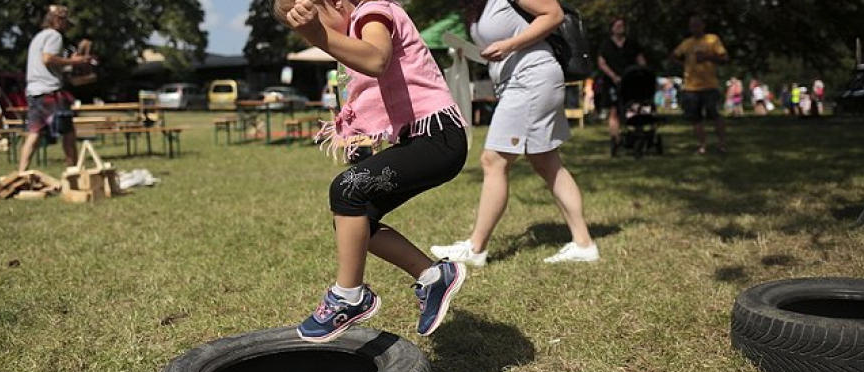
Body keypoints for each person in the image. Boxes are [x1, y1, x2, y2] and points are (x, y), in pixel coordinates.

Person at [274, 0, 469, 342]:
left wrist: (319, 35)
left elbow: (377, 59)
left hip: (438, 137)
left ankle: (349, 296)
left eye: (312, 22)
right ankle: (432, 276)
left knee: (346, 190)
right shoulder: (355, 25)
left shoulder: (373, 11)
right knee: (355, 219)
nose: (314, 36)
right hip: (421, 139)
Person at [431, 0, 598, 266]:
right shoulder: (479, 5)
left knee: (493, 160)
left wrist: (509, 45)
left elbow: (553, 14)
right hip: (517, 81)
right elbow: (498, 41)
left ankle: (475, 249)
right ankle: (584, 244)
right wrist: (471, 53)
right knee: (547, 162)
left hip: (531, 78)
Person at [19, 5, 92, 172]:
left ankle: (21, 173)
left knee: (34, 133)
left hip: (34, 91)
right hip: (50, 92)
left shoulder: (39, 37)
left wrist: (67, 66)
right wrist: (76, 62)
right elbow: (48, 59)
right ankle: (73, 172)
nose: (67, 27)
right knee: (68, 133)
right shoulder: (54, 36)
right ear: (58, 20)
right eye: (65, 22)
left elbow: (47, 64)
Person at [670, 15, 729, 155]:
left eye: (697, 25)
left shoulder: (712, 39)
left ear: (703, 25)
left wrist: (708, 57)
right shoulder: (687, 43)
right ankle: (702, 145)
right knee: (695, 118)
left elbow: (725, 58)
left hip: (709, 85)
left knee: (714, 114)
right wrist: (684, 65)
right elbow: (673, 55)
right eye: (692, 26)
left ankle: (721, 144)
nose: (694, 28)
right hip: (691, 87)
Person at [596, 17, 646, 149]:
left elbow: (641, 60)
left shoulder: (632, 43)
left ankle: (637, 135)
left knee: (635, 107)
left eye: (622, 26)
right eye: (617, 26)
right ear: (612, 28)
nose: (620, 28)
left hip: (631, 81)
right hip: (612, 82)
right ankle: (616, 140)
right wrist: (613, 76)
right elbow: (601, 62)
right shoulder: (606, 44)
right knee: (614, 111)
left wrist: (642, 72)